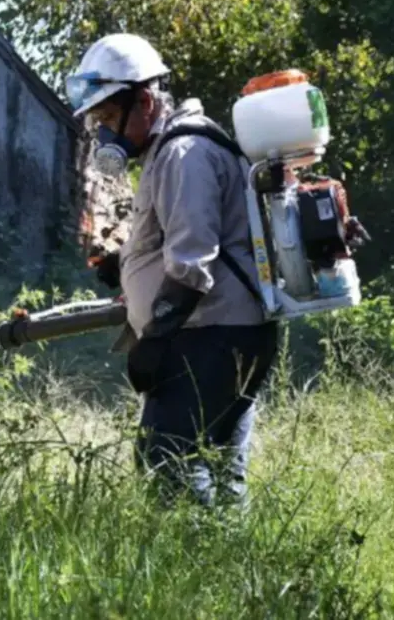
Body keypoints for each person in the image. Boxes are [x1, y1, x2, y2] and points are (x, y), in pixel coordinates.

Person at [66, 33, 281, 509]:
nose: (105, 135)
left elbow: (192, 259)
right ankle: (228, 553)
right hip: (228, 331)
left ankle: (196, 549)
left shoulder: (184, 154)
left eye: (108, 119)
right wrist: (127, 264)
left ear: (144, 101)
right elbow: (187, 235)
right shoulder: (171, 150)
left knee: (166, 459)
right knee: (220, 471)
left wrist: (154, 341)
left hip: (211, 335)